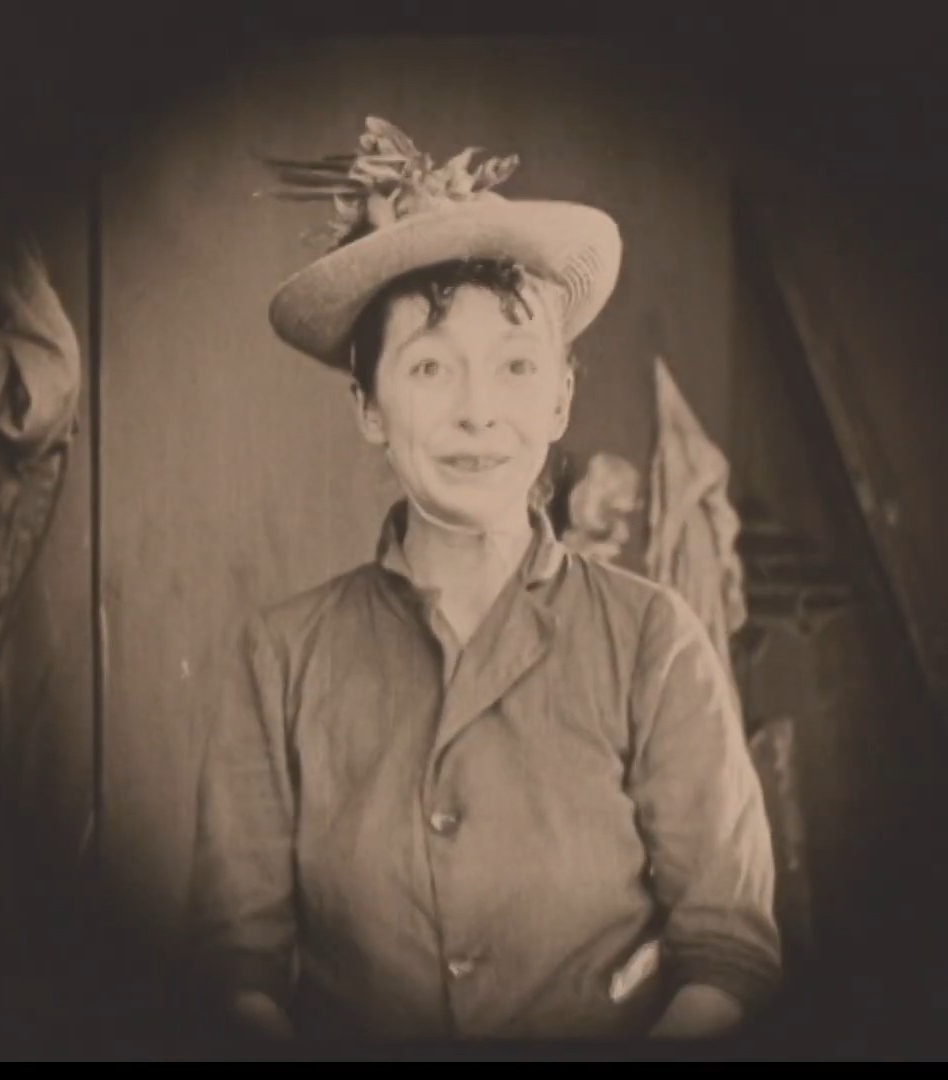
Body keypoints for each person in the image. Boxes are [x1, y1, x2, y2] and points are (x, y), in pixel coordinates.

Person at [192, 117, 782, 1044]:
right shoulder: (281, 659)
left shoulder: (653, 641)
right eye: (430, 367)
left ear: (560, 398)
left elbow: (728, 952)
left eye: (515, 366)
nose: (478, 412)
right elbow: (237, 966)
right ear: (370, 408)